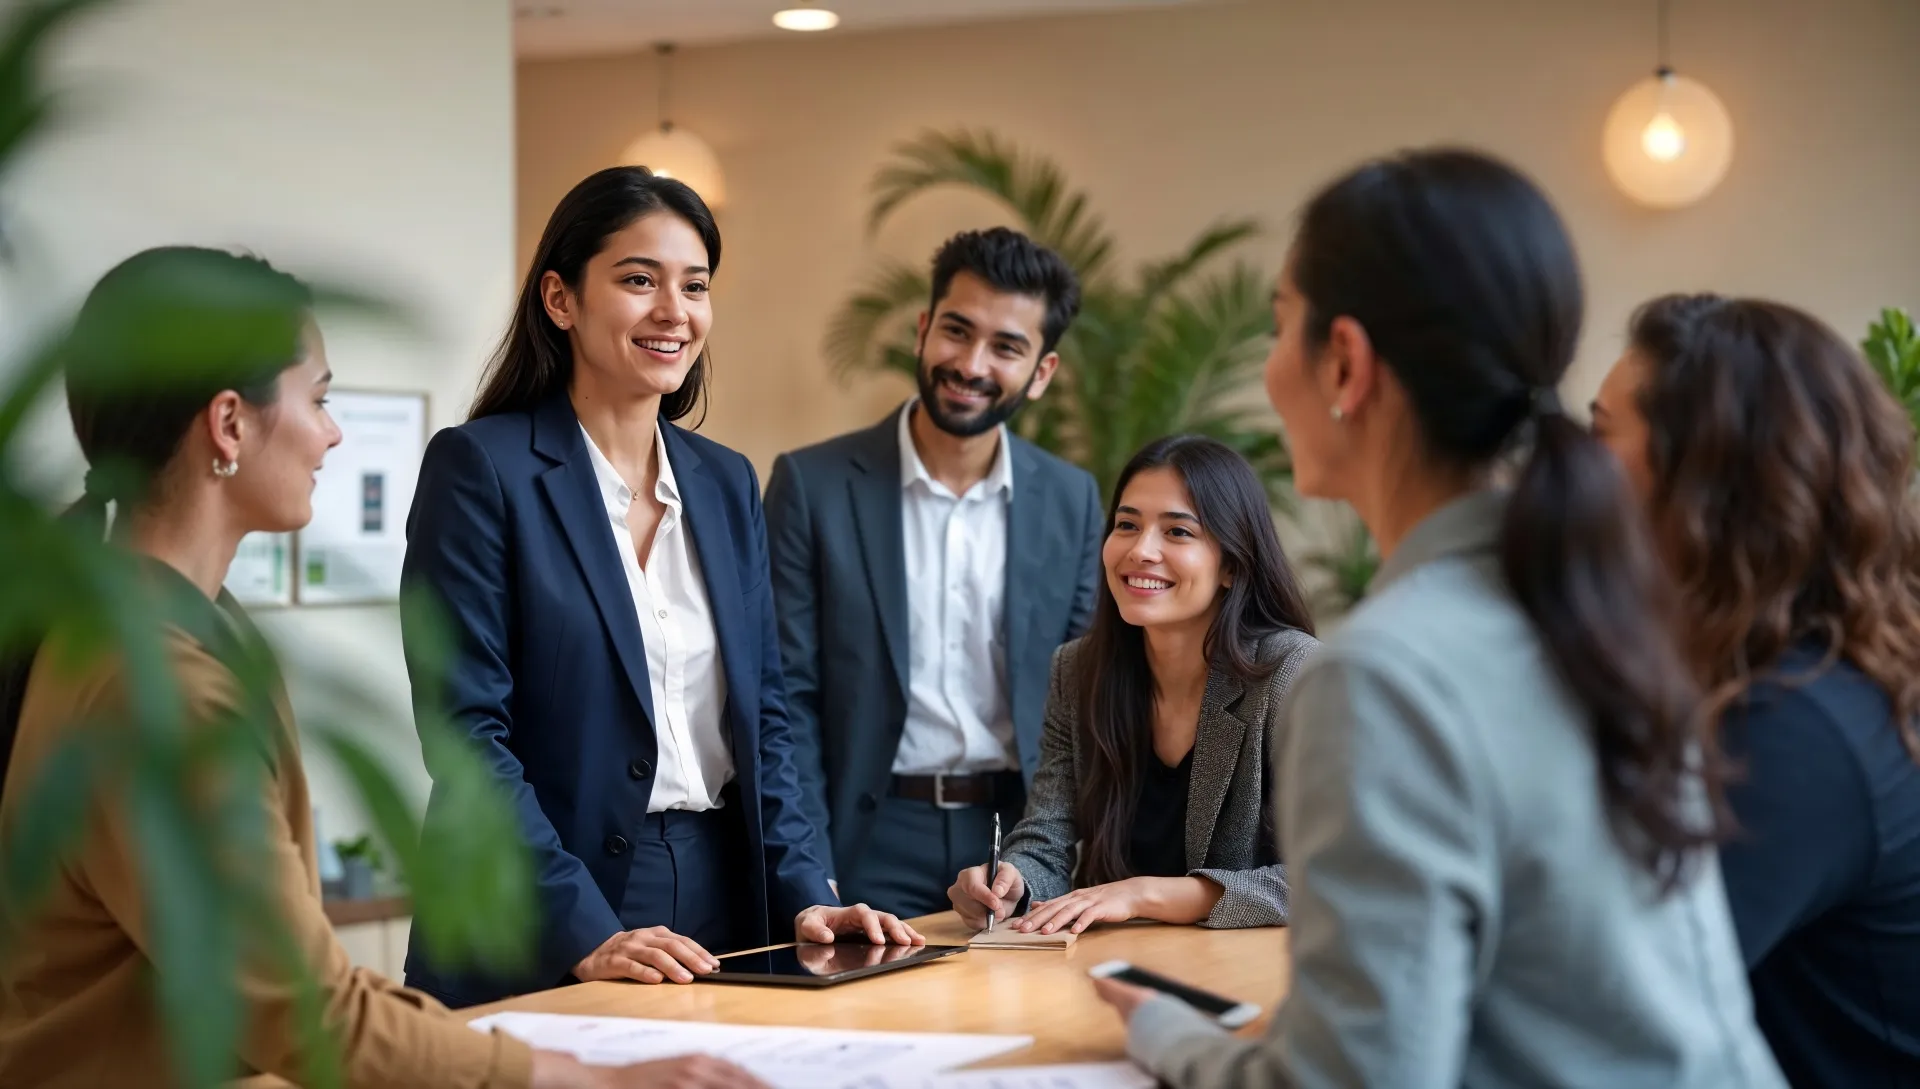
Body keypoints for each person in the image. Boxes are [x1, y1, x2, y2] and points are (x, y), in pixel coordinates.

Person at [1093, 149, 1788, 1088]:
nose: (1267, 369)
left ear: (1345, 361)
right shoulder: (1594, 603)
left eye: (1278, 327)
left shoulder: (1385, 673)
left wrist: (1166, 1036)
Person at [0, 246, 768, 1089]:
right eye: (320, 399)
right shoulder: (159, 684)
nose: (332, 432)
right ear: (229, 423)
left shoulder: (154, 626)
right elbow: (305, 1009)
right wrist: (586, 1076)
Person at [401, 168, 919, 1010]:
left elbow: (766, 717)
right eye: (639, 280)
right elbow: (466, 736)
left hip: (725, 895)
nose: (673, 311)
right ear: (560, 299)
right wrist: (586, 930)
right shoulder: (482, 469)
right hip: (546, 903)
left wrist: (807, 892)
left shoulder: (723, 481)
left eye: (695, 286)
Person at [1591, 294, 1920, 1087]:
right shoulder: (1794, 678)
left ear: (1700, 479)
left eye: (1600, 436)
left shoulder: (1792, 728)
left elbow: (1602, 1019)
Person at [764, 227, 1103, 920]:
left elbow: (1080, 705)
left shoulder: (1073, 501)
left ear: (1041, 373)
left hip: (1015, 840)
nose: (972, 362)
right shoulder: (812, 485)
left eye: (1006, 346)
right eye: (957, 330)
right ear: (923, 330)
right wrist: (810, 871)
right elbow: (785, 697)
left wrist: (1040, 858)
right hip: (864, 837)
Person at [947, 435, 1317, 934]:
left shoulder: (1290, 673)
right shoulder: (1077, 670)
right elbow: (1046, 837)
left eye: (1178, 533)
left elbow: (1332, 875)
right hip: (1111, 969)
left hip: (1249, 971)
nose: (1141, 550)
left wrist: (1144, 892)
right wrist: (1013, 884)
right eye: (1126, 525)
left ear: (1231, 564)